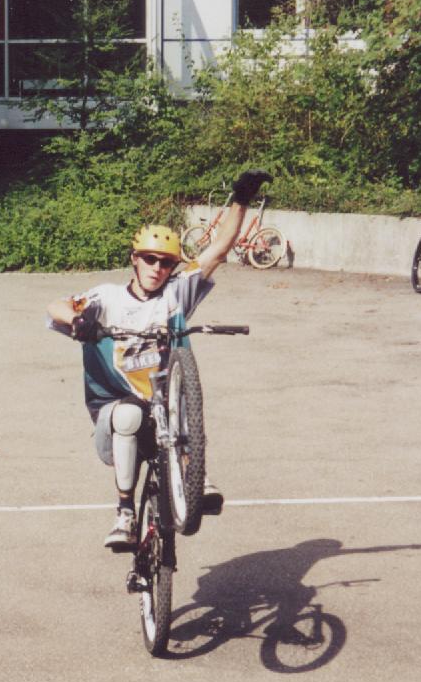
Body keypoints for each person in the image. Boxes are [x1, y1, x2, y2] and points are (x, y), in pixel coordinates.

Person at [47, 169, 272, 550]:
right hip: (115, 404)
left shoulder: (176, 294)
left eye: (166, 263)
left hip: (166, 402)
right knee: (129, 415)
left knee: (178, 400)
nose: (157, 268)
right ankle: (124, 513)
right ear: (134, 259)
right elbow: (56, 305)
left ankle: (193, 475)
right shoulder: (107, 298)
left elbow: (218, 250)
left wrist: (241, 200)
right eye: (149, 259)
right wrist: (78, 321)